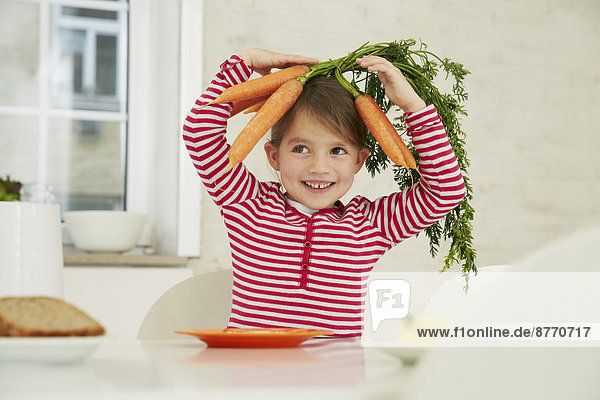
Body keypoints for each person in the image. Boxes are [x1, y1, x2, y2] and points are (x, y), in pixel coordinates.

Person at [182, 48, 466, 337]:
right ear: (274, 156)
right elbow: (198, 132)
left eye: (337, 151)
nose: (319, 167)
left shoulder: (369, 225)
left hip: (335, 378)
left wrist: (413, 106)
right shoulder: (247, 204)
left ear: (359, 161)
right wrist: (245, 63)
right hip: (252, 376)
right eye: (301, 149)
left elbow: (446, 191)